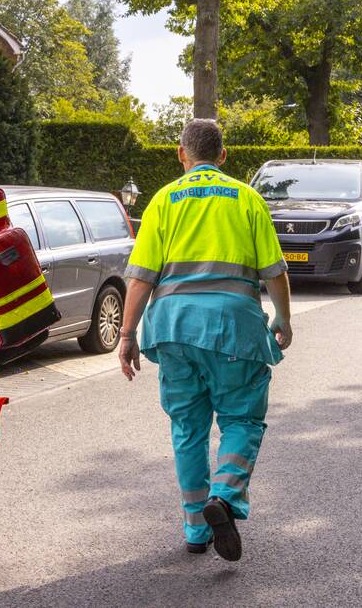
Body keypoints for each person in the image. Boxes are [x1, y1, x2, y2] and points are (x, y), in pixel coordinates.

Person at [118, 119, 292, 562]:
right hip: (234, 330)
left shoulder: (163, 201)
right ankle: (225, 495)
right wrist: (283, 319)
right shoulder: (247, 199)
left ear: (181, 154)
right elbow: (275, 270)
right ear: (223, 155)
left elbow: (140, 277)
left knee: (188, 429)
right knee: (241, 420)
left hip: (173, 331)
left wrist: (126, 335)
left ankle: (196, 527)